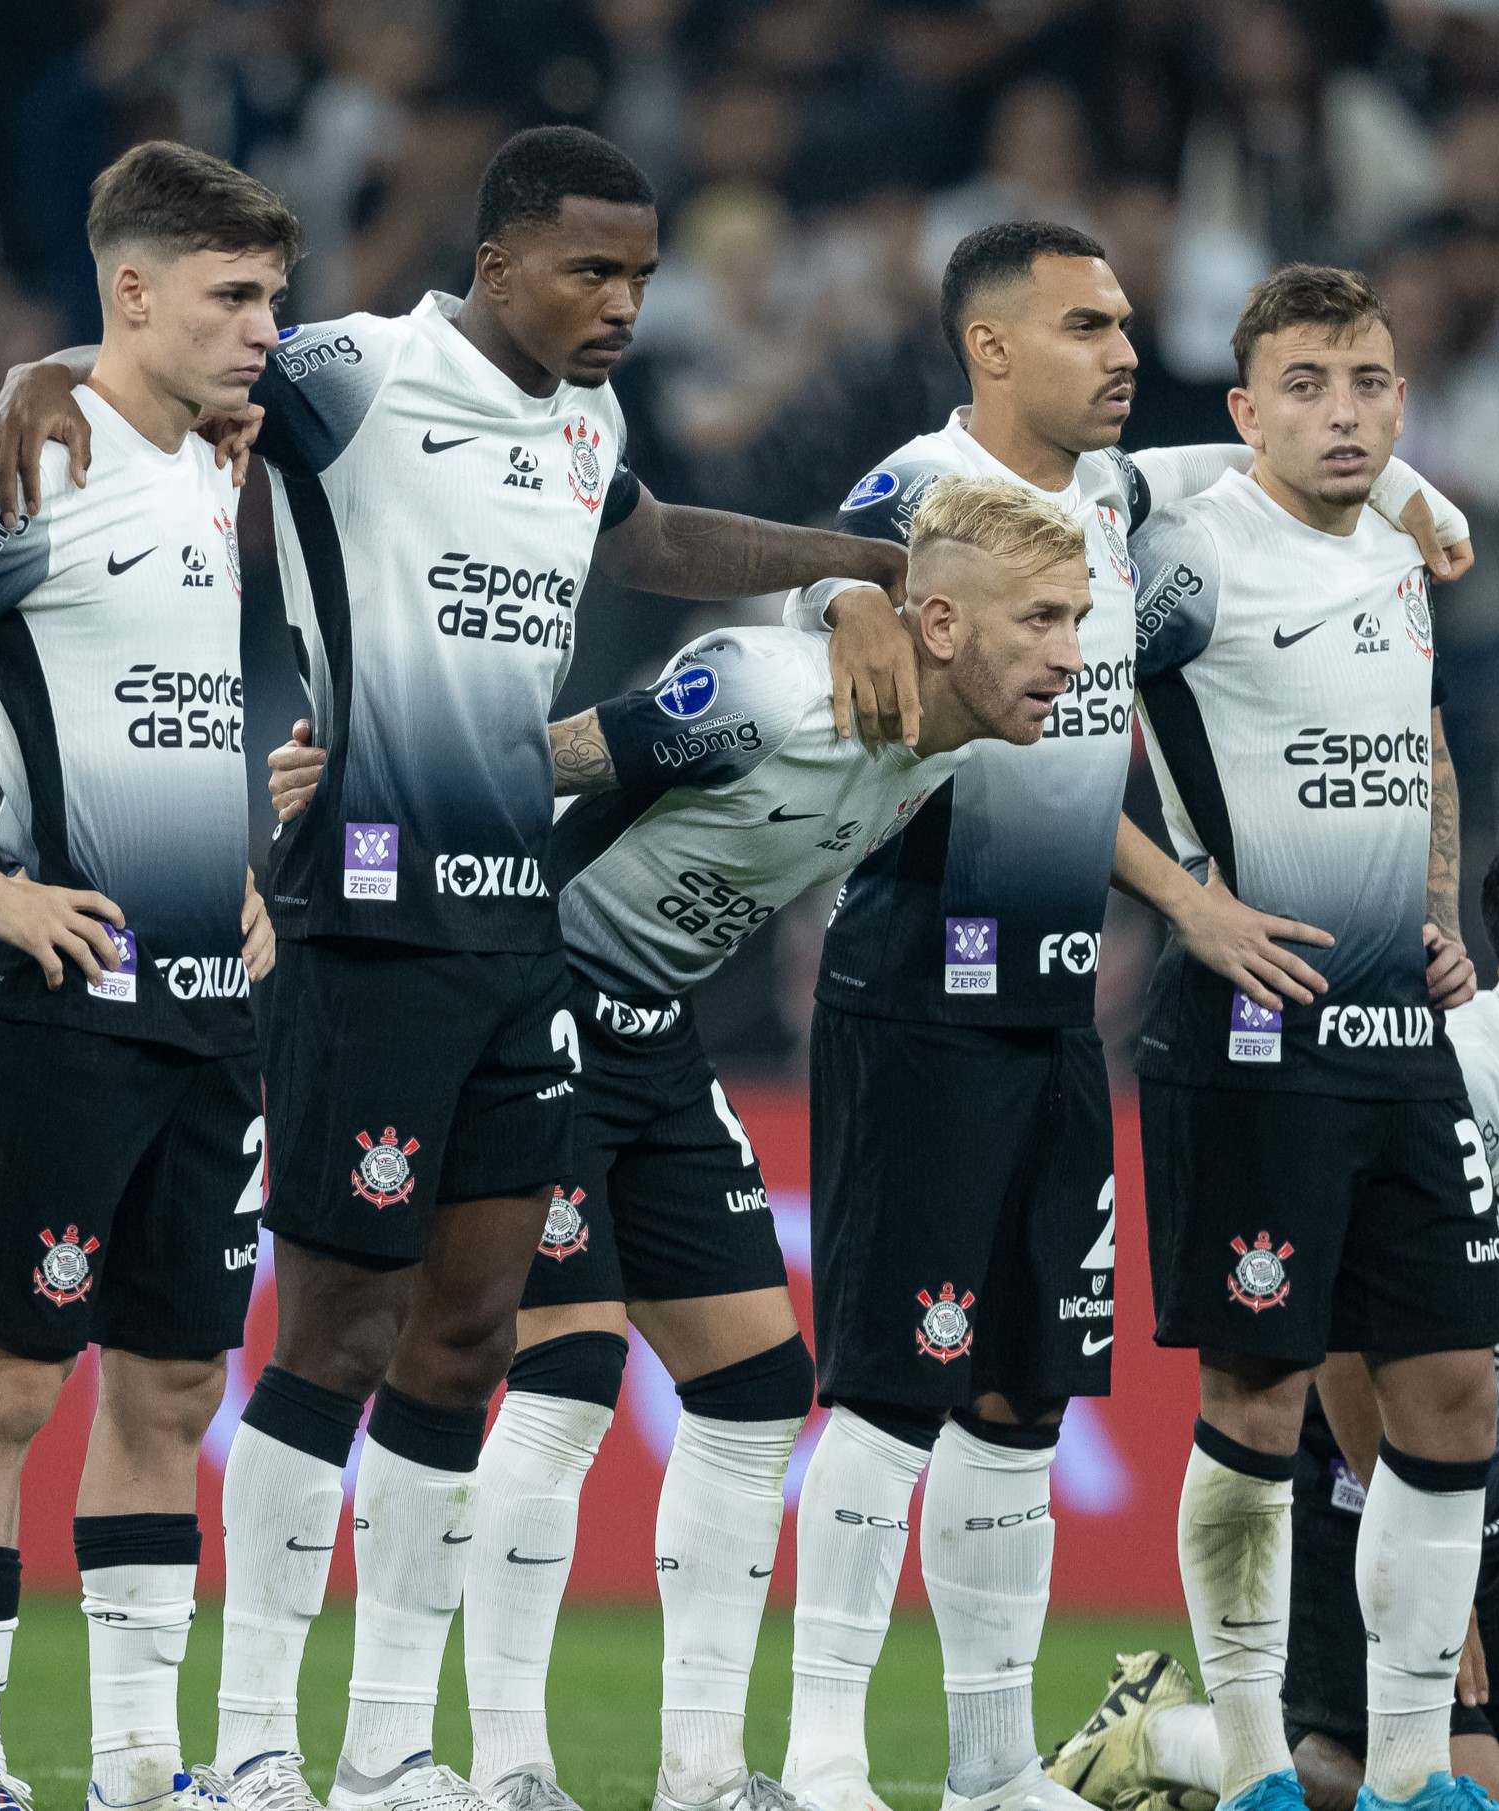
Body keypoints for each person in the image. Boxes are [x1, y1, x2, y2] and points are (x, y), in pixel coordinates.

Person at [0, 125, 924, 1811]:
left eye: (640, 272)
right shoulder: (356, 369)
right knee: (333, 1332)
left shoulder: (585, 412)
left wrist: (839, 563)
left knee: (469, 1336)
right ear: (497, 264)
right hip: (366, 929)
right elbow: (171, 351)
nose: (624, 301)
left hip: (512, 935)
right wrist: (36, 372)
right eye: (590, 270)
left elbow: (644, 540)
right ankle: (256, 1730)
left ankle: (390, 1742)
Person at [774, 222, 1469, 1811]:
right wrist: (846, 606)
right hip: (919, 986)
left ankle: (993, 1764)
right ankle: (820, 1756)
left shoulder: (1113, 493)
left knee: (1022, 1399)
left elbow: (1249, 442)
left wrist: (1419, 491)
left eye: (1128, 323)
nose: (1122, 349)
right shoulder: (924, 480)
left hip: (1053, 1012)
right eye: (1087, 325)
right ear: (993, 348)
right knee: (893, 1380)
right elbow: (830, 565)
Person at [269, 477, 1091, 1811]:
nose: (1071, 651)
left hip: (650, 1027)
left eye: (1079, 619)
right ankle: (507, 1762)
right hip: (528, 1002)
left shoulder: (941, 739)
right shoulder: (762, 694)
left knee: (758, 1381)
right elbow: (529, 764)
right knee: (570, 1363)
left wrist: (850, 592)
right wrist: (342, 779)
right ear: (939, 623)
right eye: (1046, 618)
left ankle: (702, 1772)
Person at [0, 141, 297, 1811]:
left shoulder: (210, 459)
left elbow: (173, 704)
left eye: (271, 296)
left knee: (177, 1378)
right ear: (133, 291)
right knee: (14, 1377)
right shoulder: (25, 461)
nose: (264, 328)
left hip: (212, 1004)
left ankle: (132, 1764)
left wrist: (245, 874)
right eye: (233, 296)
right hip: (62, 1001)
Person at [1050, 812, 1499, 1811]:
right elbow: (1350, 1324)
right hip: (1346, 1478)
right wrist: (1420, 1566)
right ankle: (1161, 1732)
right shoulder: (1456, 1069)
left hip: (1466, 1493)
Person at [1112, 264, 1494, 1811]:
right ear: (1245, 408)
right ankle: (1262, 1759)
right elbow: (1045, 727)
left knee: (1454, 1392)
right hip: (1250, 1026)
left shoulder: (1400, 550)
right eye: (1311, 384)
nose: (1346, 411)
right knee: (1259, 1401)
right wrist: (1190, 908)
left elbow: (1422, 734)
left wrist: (1441, 898)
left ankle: (1411, 1774)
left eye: (1371, 383)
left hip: (1403, 1032)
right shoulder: (1194, 558)